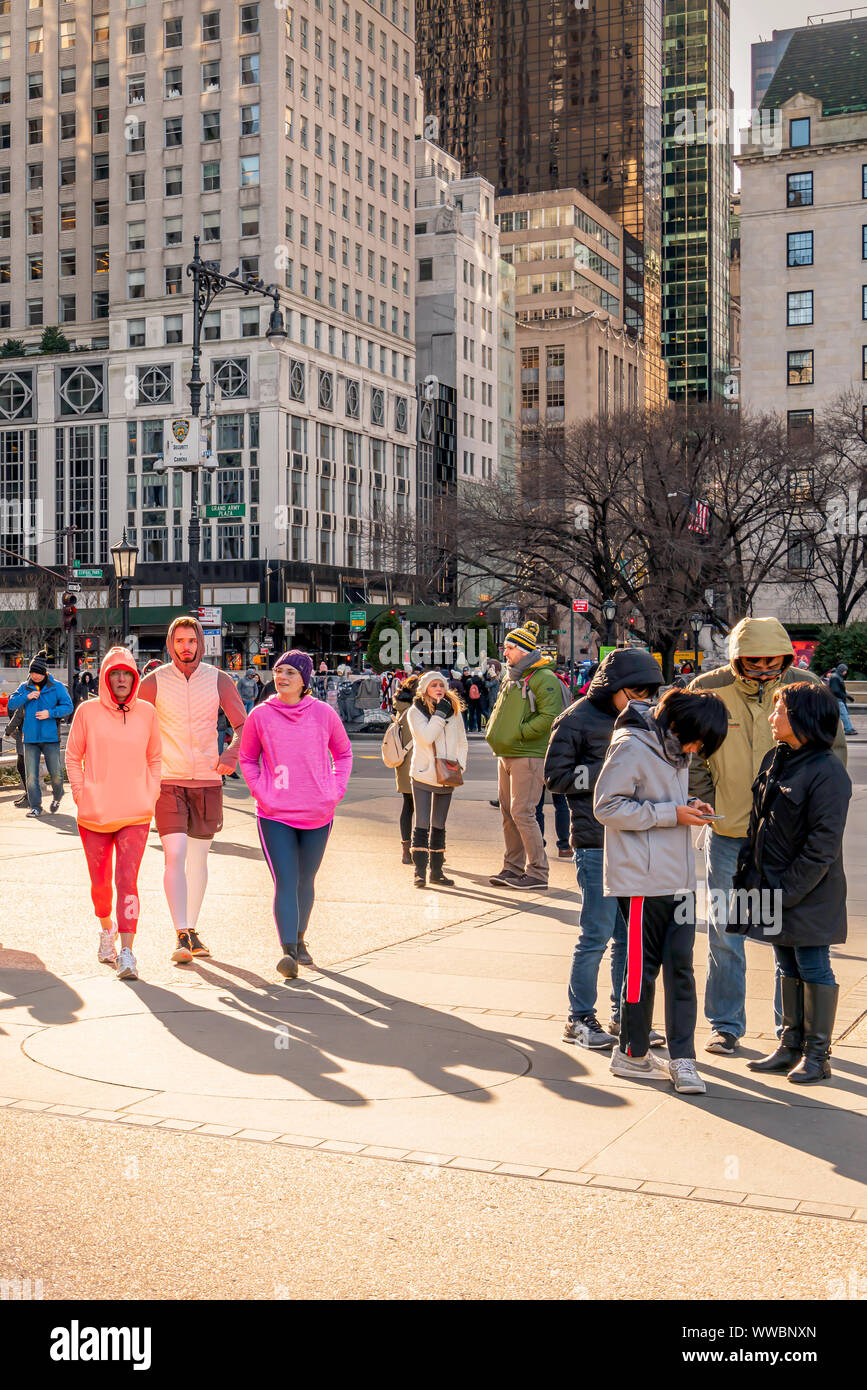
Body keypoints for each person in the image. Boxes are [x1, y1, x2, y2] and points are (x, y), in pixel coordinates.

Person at [688, 617, 847, 1056]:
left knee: (789, 935)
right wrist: (707, 803)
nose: (762, 670)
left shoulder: (804, 686)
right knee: (725, 932)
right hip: (730, 831)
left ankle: (790, 1032)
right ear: (736, 658)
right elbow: (694, 752)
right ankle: (726, 1025)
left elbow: (832, 752)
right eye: (752, 663)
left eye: (771, 662)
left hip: (785, 839)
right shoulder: (709, 687)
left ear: (785, 656)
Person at [594, 689, 729, 1094]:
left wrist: (688, 805)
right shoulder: (632, 746)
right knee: (642, 971)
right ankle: (632, 1053)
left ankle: (683, 1059)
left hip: (679, 877)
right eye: (697, 740)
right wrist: (672, 813)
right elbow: (607, 807)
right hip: (640, 880)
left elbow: (655, 800)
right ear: (676, 725)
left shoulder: (674, 750)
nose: (696, 749)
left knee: (682, 970)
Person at [544, 648, 666, 1048]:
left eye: (647, 693)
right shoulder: (575, 719)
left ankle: (624, 1013)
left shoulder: (647, 719)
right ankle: (579, 1018)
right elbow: (556, 778)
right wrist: (611, 775)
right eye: (633, 692)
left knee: (628, 938)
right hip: (596, 841)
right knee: (595, 932)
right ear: (612, 687)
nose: (640, 701)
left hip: (633, 839)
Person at [731, 683, 851, 1083]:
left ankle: (818, 1056)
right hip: (772, 884)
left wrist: (785, 894)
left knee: (813, 965)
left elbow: (822, 847)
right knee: (785, 964)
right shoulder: (776, 759)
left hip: (809, 891)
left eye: (779, 710)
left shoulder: (828, 771)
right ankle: (789, 1045)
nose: (771, 717)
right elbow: (759, 824)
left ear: (801, 717)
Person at [138, 616, 247, 964]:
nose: (186, 647)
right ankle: (181, 932)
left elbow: (245, 726)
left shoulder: (219, 680)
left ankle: (192, 929)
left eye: (192, 641)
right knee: (176, 853)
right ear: (170, 644)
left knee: (199, 859)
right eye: (179, 641)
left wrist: (231, 752)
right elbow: (132, 723)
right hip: (168, 781)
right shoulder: (154, 682)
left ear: (201, 643)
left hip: (208, 780)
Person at [239, 650, 352, 978]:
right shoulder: (261, 715)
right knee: (286, 879)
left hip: (318, 812)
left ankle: (301, 940)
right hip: (275, 814)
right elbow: (247, 758)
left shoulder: (323, 714)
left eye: (290, 672)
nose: (282, 677)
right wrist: (262, 791)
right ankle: (288, 951)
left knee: (306, 878)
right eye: (278, 671)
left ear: (304, 680)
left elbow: (343, 753)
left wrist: (335, 790)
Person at [65, 647, 162, 981]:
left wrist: (151, 794)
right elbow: (72, 755)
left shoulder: (147, 712)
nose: (122, 679)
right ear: (106, 677)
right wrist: (81, 795)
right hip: (94, 813)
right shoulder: (87, 712)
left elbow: (155, 758)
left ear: (135, 677)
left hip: (135, 812)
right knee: (100, 886)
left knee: (127, 880)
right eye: (115, 673)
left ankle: (127, 951)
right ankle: (106, 929)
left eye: (127, 674)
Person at [485, 620, 563, 890]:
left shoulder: (544, 678)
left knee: (523, 812)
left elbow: (550, 716)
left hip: (528, 754)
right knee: (509, 812)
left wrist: (520, 733)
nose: (504, 653)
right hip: (507, 753)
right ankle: (513, 868)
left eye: (509, 648)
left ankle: (538, 872)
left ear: (524, 650)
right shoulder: (513, 677)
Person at [407, 670, 468, 888]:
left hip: (447, 773)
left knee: (439, 824)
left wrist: (460, 763)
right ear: (425, 689)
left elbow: (462, 740)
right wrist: (439, 715)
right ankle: (420, 871)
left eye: (441, 685)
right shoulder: (415, 711)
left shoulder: (453, 710)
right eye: (434, 685)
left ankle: (437, 871)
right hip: (423, 773)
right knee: (422, 823)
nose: (439, 689)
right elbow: (426, 738)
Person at [8, 656, 74, 818]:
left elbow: (68, 707)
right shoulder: (25, 687)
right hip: (30, 738)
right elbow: (11, 704)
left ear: (44, 672)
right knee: (30, 776)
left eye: (37, 673)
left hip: (50, 737)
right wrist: (27, 697)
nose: (34, 676)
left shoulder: (57, 687)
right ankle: (35, 806)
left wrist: (50, 714)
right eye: (31, 673)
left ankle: (57, 796)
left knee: (56, 775)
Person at [392, 672, 419, 864]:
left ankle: (405, 850)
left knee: (408, 806)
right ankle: (423, 849)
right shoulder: (416, 711)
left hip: (403, 765)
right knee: (425, 809)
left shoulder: (401, 709)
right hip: (419, 764)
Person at [6, 703, 28, 808]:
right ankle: (29, 795)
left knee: (22, 767)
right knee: (25, 767)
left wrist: (7, 731)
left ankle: (30, 797)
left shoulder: (26, 699)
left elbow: (18, 716)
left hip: (26, 735)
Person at [828, 663, 856, 736]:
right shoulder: (835, 677)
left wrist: (847, 696)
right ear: (841, 670)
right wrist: (845, 696)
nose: (846, 672)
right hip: (837, 699)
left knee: (843, 714)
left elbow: (839, 689)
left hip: (839, 699)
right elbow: (835, 690)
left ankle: (849, 728)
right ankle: (848, 729)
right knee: (844, 714)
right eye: (845, 671)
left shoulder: (837, 676)